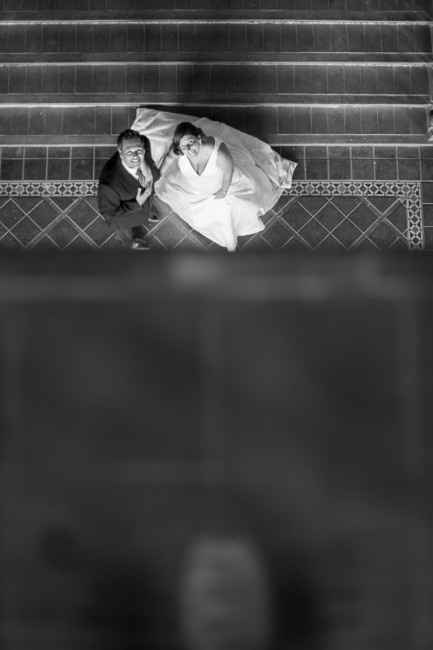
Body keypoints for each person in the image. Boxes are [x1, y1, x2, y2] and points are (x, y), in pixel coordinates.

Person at [131, 108, 297, 252]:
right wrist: (156, 179)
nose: (189, 150)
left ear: (200, 138)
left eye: (191, 143)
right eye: (184, 147)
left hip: (227, 182)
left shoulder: (217, 150)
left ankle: (230, 241)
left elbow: (228, 171)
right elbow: (167, 163)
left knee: (228, 205)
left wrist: (224, 190)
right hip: (197, 186)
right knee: (178, 193)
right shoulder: (180, 151)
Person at [97, 129, 160, 250]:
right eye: (129, 152)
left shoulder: (145, 143)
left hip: (144, 203)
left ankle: (147, 212)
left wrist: (145, 167)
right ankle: (132, 242)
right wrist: (137, 203)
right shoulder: (109, 183)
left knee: (145, 210)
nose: (136, 156)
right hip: (124, 219)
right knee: (124, 233)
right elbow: (110, 216)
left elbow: (155, 174)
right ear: (120, 153)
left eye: (138, 151)